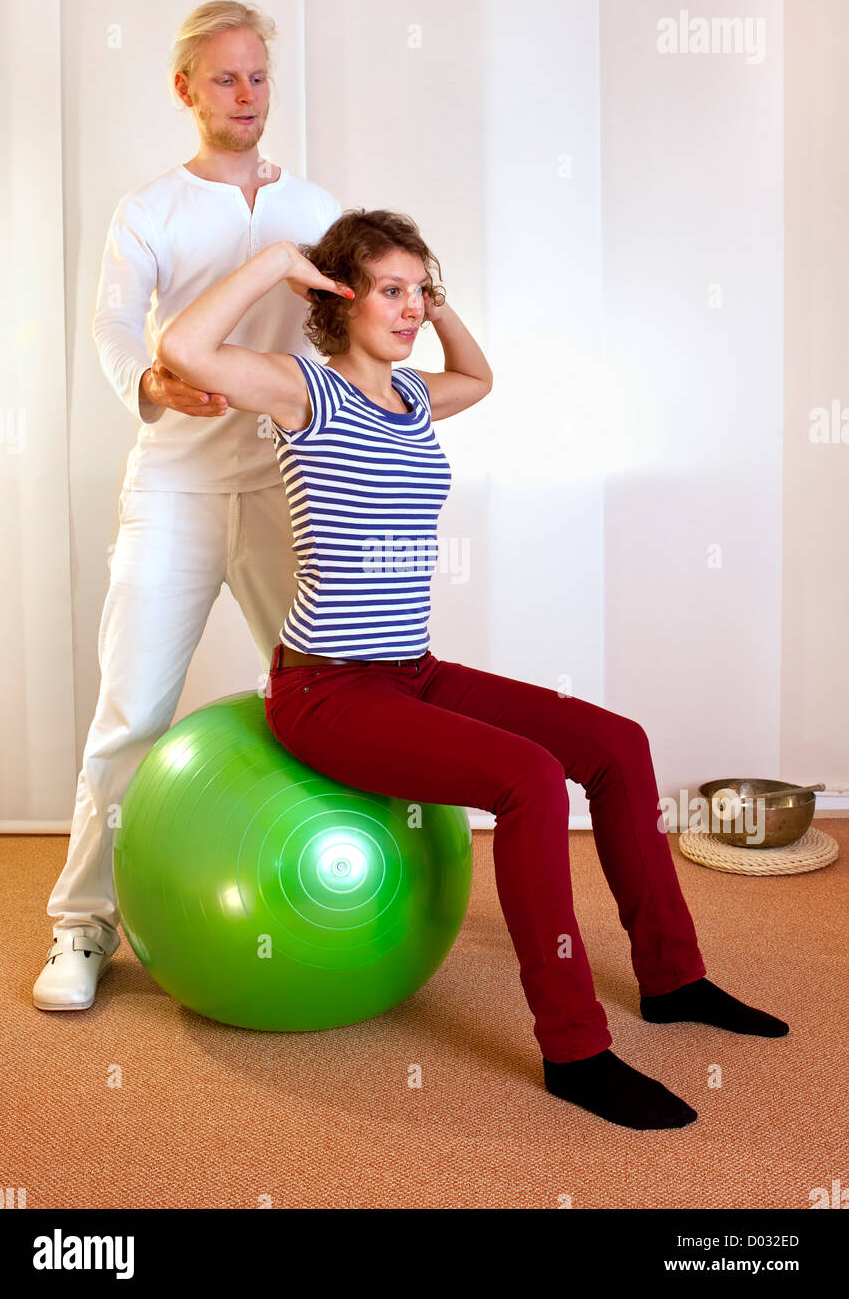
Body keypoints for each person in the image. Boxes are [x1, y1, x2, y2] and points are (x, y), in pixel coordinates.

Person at [155, 207, 790, 1132]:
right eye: (391, 291)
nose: (411, 309)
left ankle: (672, 976)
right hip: (325, 688)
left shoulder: (416, 398)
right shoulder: (304, 392)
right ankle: (575, 1050)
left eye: (423, 289)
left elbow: (479, 377)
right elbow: (186, 343)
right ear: (341, 297)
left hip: (412, 669)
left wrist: (440, 307)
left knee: (616, 744)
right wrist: (273, 263)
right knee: (530, 780)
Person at [33, 0, 343, 1013]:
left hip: (281, 483)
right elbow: (116, 325)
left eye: (256, 77)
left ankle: (346, 887)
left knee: (333, 698)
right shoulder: (149, 210)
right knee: (129, 714)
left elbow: (349, 339)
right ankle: (82, 929)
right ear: (186, 90)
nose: (245, 95)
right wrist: (152, 384)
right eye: (224, 79)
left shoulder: (317, 210)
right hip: (171, 482)